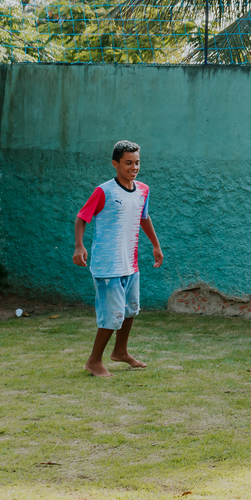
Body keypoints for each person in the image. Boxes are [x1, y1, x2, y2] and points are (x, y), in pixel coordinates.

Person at [73, 140, 164, 377]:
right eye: (128, 163)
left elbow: (143, 217)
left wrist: (155, 245)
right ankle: (94, 361)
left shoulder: (143, 190)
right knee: (113, 315)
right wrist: (79, 246)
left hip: (130, 264)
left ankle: (120, 351)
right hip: (107, 266)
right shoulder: (104, 191)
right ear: (115, 164)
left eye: (137, 163)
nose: (134, 167)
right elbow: (82, 217)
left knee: (131, 310)